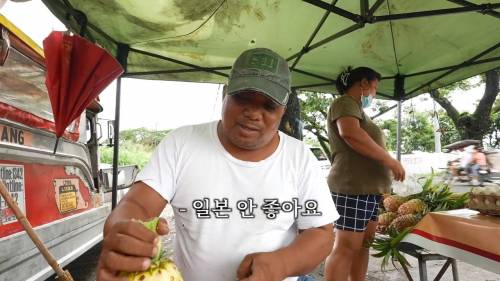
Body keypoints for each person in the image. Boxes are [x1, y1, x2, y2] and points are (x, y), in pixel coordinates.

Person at [97, 48, 339, 281]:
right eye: (243, 97)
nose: (253, 113)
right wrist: (124, 231)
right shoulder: (182, 143)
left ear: (283, 110)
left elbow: (321, 234)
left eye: (268, 105)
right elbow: (137, 204)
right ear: (225, 94)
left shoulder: (300, 157)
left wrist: (282, 264)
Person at [323, 67, 405, 281]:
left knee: (363, 245)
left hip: (368, 190)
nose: (374, 94)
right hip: (352, 188)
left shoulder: (358, 109)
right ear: (363, 84)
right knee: (346, 247)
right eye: (375, 87)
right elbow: (350, 133)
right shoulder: (344, 102)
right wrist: (389, 160)